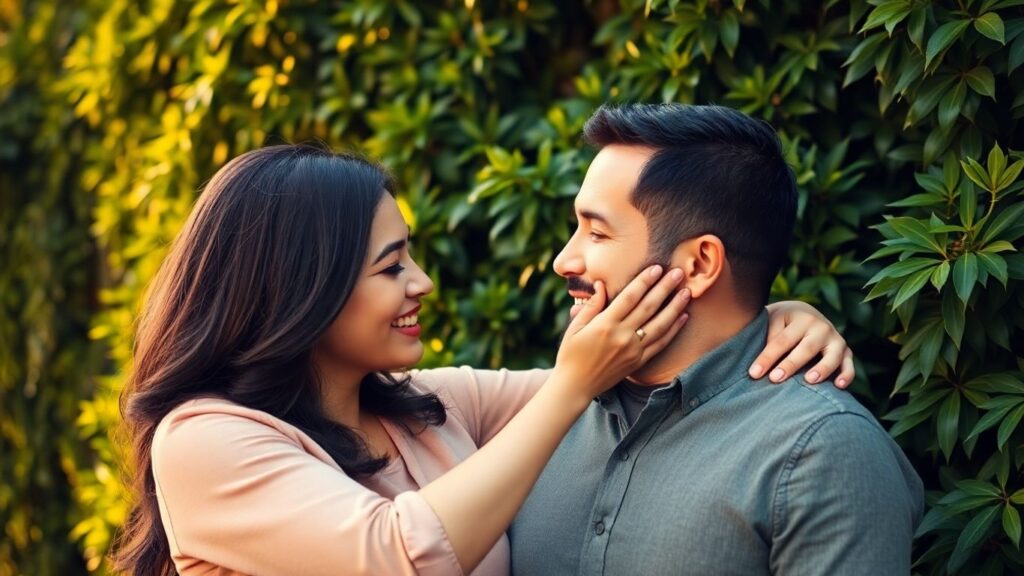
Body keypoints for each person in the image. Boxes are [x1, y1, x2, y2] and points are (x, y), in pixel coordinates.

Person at [113, 144, 857, 576]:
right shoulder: (205, 442)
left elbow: (643, 371)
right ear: (302, 288)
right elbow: (397, 554)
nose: (421, 285)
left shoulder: (424, 408)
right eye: (391, 266)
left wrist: (765, 317)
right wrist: (571, 385)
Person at [509, 104, 924, 575]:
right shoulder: (544, 412)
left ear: (700, 265)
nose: (565, 260)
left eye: (597, 233)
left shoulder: (821, 452)